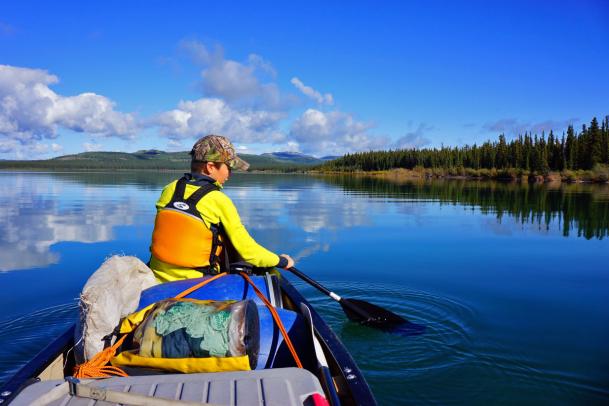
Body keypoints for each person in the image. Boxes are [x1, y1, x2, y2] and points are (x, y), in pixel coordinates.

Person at [149, 134, 295, 282]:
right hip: (194, 285)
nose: (230, 174)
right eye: (229, 168)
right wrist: (281, 261)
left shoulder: (169, 189)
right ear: (210, 167)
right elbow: (248, 252)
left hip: (156, 278)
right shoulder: (219, 200)